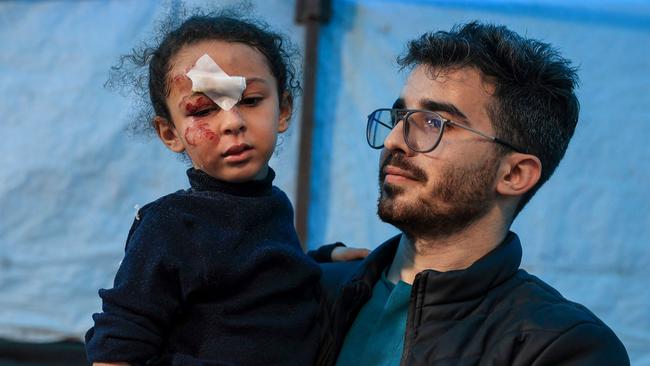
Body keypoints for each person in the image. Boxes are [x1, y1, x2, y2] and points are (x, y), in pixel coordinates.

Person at [317, 21, 630, 365]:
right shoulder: (313, 291)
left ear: (514, 174)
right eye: (400, 115)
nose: (393, 140)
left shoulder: (564, 346)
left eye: (434, 122)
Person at [84, 10, 367, 366]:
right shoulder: (170, 225)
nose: (233, 122)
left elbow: (259, 282)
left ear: (284, 109)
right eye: (203, 110)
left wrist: (323, 259)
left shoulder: (271, 204)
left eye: (249, 101)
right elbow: (119, 345)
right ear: (170, 133)